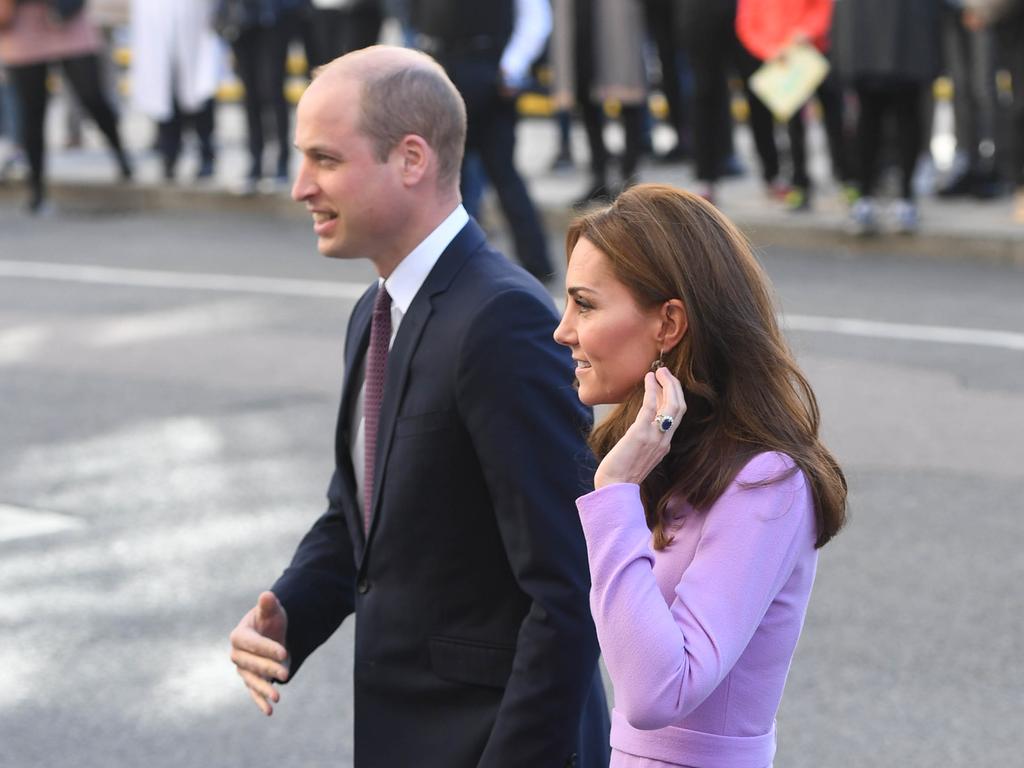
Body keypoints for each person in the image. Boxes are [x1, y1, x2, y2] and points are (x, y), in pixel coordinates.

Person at [228, 45, 610, 768]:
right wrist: (288, 615)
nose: (299, 186)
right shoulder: (374, 314)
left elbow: (568, 590)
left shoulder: (503, 320)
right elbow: (361, 515)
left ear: (410, 159)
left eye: (325, 160)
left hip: (493, 743)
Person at [553, 183, 847, 768]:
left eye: (585, 305)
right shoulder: (661, 458)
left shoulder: (768, 481)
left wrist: (614, 494)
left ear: (668, 324)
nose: (563, 330)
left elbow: (657, 692)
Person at [411, 0, 556, 283]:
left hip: (487, 71)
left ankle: (537, 262)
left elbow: (535, 19)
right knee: (446, 178)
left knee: (502, 173)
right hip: (443, 68)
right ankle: (452, 263)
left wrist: (512, 66)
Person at [0, 0, 132, 212]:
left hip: (67, 17)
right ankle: (36, 191)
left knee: (92, 97)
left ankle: (123, 158)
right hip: (23, 26)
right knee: (32, 112)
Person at [834, 0, 941, 235]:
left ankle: (904, 196)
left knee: (905, 115)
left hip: (907, 28)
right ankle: (866, 195)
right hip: (871, 27)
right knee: (869, 115)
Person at [131, 0, 224, 182]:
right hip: (157, 20)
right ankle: (169, 155)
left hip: (194, 20)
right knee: (164, 92)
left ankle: (206, 154)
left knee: (199, 89)